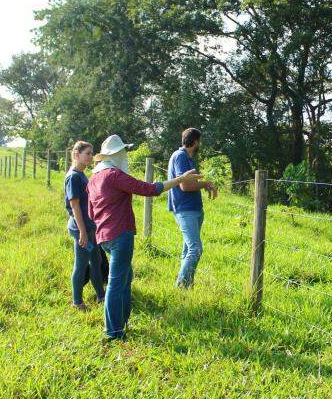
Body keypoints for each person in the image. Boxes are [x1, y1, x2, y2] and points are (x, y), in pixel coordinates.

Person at [88, 134, 202, 341]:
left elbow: (90, 212)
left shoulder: (93, 179)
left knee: (125, 277)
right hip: (120, 234)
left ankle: (122, 320)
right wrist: (180, 179)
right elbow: (149, 189)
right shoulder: (113, 175)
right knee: (116, 282)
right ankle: (113, 331)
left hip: (103, 237)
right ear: (117, 155)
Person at [167, 128, 217, 289]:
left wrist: (202, 184)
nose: (199, 144)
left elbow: (190, 182)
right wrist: (206, 184)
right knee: (196, 249)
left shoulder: (187, 158)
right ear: (195, 141)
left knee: (188, 249)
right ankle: (181, 286)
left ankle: (187, 287)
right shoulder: (181, 156)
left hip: (193, 209)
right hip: (185, 209)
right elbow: (185, 185)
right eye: (199, 141)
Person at [64, 140, 104, 310]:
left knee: (97, 260)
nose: (90, 156)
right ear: (76, 154)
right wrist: (83, 232)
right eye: (87, 153)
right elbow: (74, 206)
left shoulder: (81, 174)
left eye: (91, 153)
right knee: (81, 264)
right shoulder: (73, 176)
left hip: (89, 226)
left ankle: (101, 296)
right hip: (81, 227)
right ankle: (77, 302)